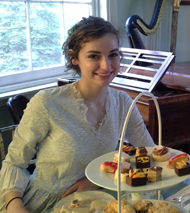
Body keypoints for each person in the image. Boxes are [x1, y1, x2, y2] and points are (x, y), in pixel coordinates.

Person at [0, 16, 155, 213]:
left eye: (113, 55)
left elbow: (149, 152)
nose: (106, 66)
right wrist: (15, 206)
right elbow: (14, 163)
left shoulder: (124, 102)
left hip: (102, 200)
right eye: (93, 56)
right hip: (47, 204)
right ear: (74, 58)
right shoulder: (47, 103)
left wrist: (94, 180)